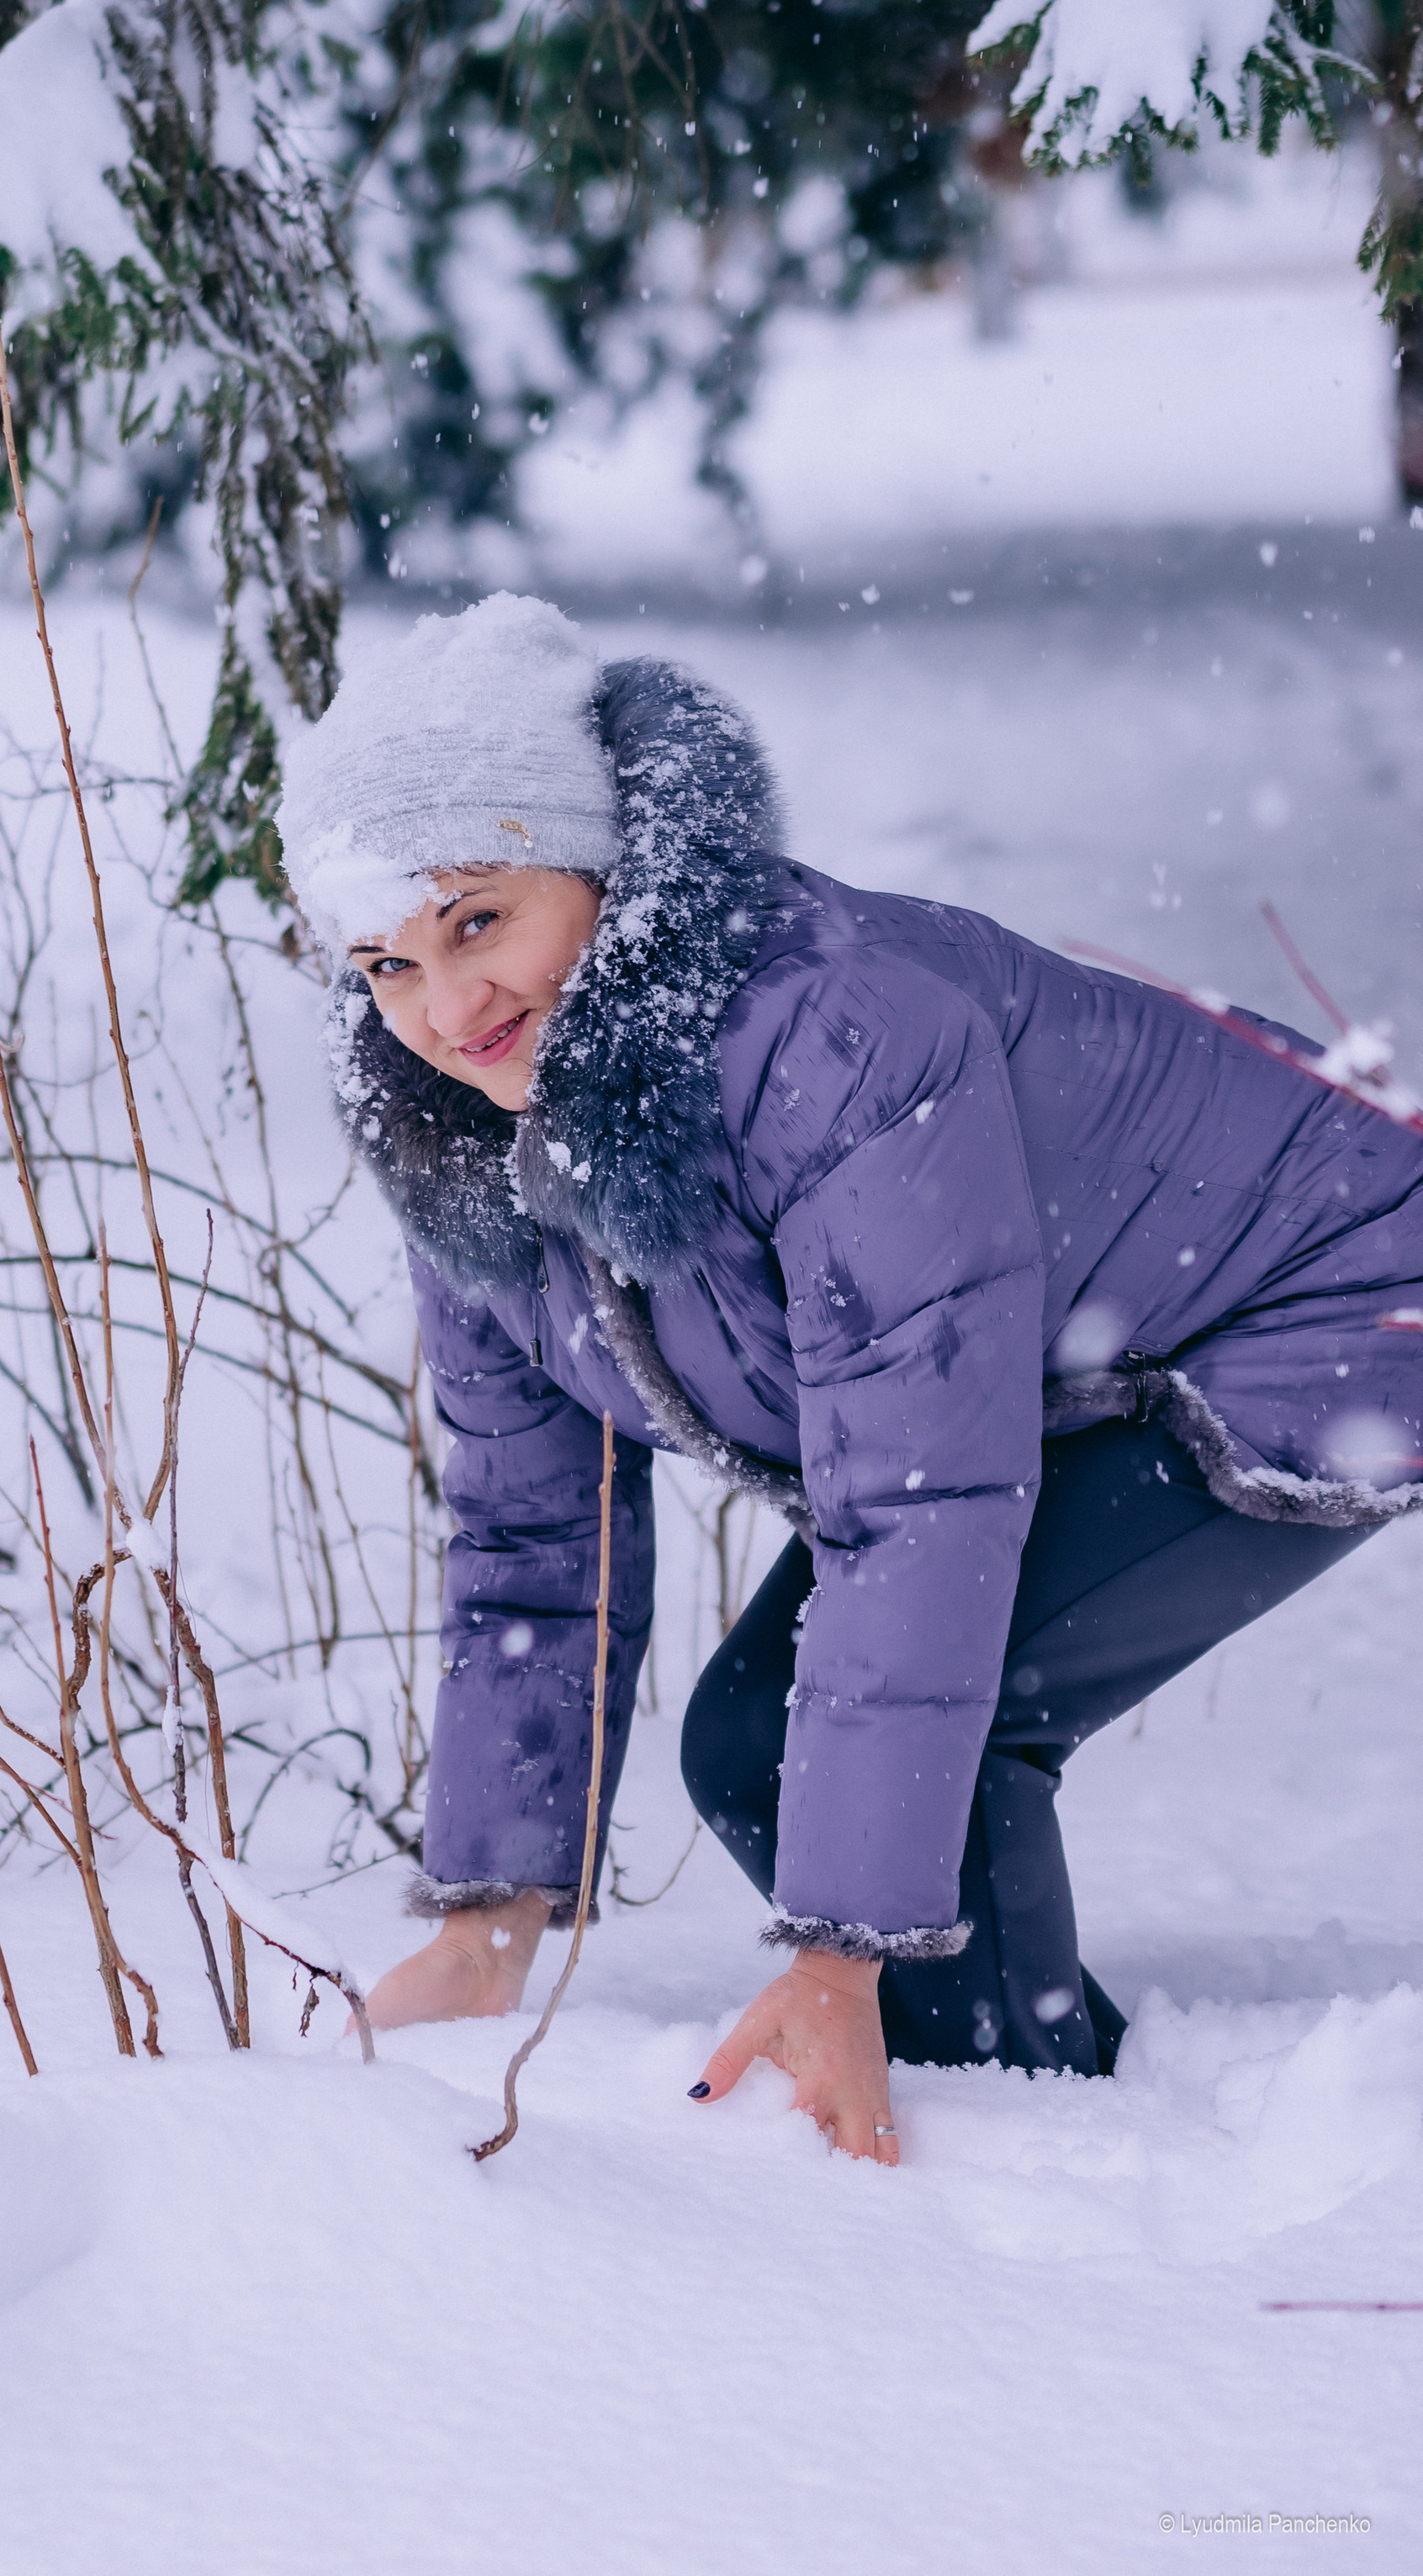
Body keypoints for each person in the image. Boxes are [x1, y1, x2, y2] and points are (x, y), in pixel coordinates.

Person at [273, 595, 1423, 2163]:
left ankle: (1035, 2149)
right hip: (1099, 1347)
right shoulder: (468, 1142)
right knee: (772, 1734)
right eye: (388, 963)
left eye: (481, 921)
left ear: (603, 868)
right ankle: (1020, 2082)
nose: (448, 1011)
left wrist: (841, 1950)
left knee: (859, 1730)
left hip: (1344, 1296)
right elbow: (531, 1546)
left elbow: (920, 1491)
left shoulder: (830, 1045)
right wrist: (496, 1912)